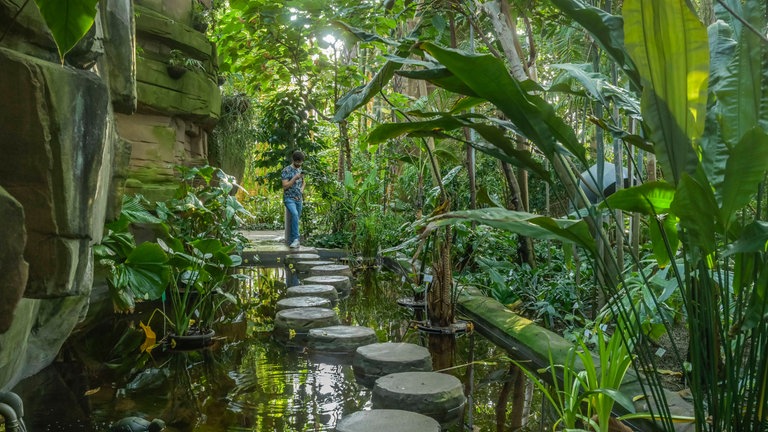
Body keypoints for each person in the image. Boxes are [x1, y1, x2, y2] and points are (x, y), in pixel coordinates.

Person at [281, 150, 305, 248]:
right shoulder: (286, 170)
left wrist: (302, 190)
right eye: (297, 162)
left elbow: (304, 182)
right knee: (294, 214)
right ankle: (296, 239)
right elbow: (285, 186)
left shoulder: (300, 169)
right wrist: (294, 178)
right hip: (289, 198)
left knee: (296, 218)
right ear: (293, 160)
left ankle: (292, 241)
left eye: (301, 163)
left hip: (298, 198)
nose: (299, 164)